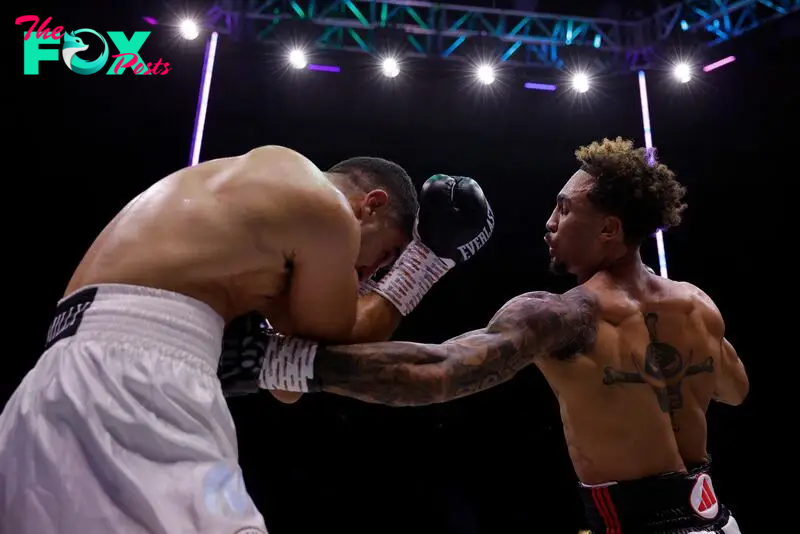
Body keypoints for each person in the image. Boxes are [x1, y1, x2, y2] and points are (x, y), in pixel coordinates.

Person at [221, 138, 748, 533]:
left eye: (564, 208)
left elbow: (439, 374)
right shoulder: (697, 305)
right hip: (717, 519)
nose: (549, 221)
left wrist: (271, 362)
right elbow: (733, 389)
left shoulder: (562, 315)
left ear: (609, 230)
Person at [0, 145, 494, 534]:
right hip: (136, 381)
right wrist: (425, 262)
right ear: (371, 205)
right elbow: (345, 338)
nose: (370, 274)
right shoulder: (326, 209)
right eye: (386, 254)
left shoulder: (245, 208)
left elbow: (291, 380)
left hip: (51, 385)